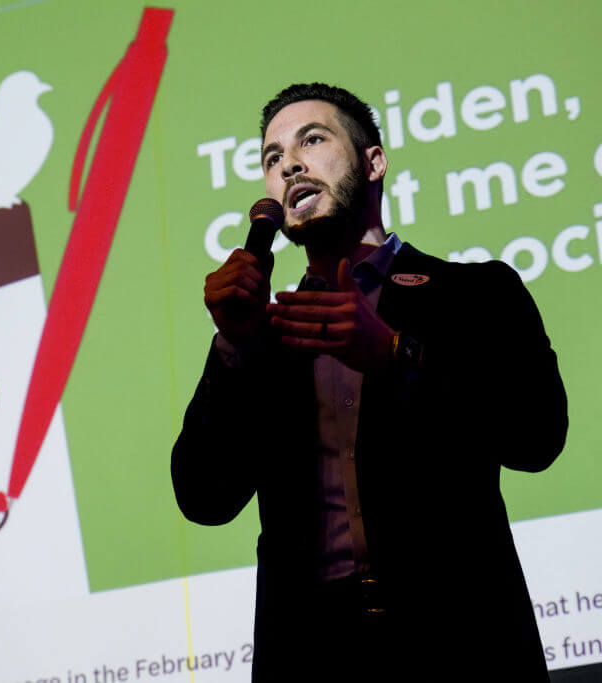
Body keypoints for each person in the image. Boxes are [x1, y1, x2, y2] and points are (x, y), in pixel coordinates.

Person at [171, 83, 567, 682]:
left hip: (461, 639)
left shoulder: (476, 293)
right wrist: (233, 344)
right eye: (272, 158)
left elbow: (536, 438)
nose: (289, 165)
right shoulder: (264, 335)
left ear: (373, 162)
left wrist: (394, 352)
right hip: (312, 652)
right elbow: (204, 498)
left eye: (312, 140)